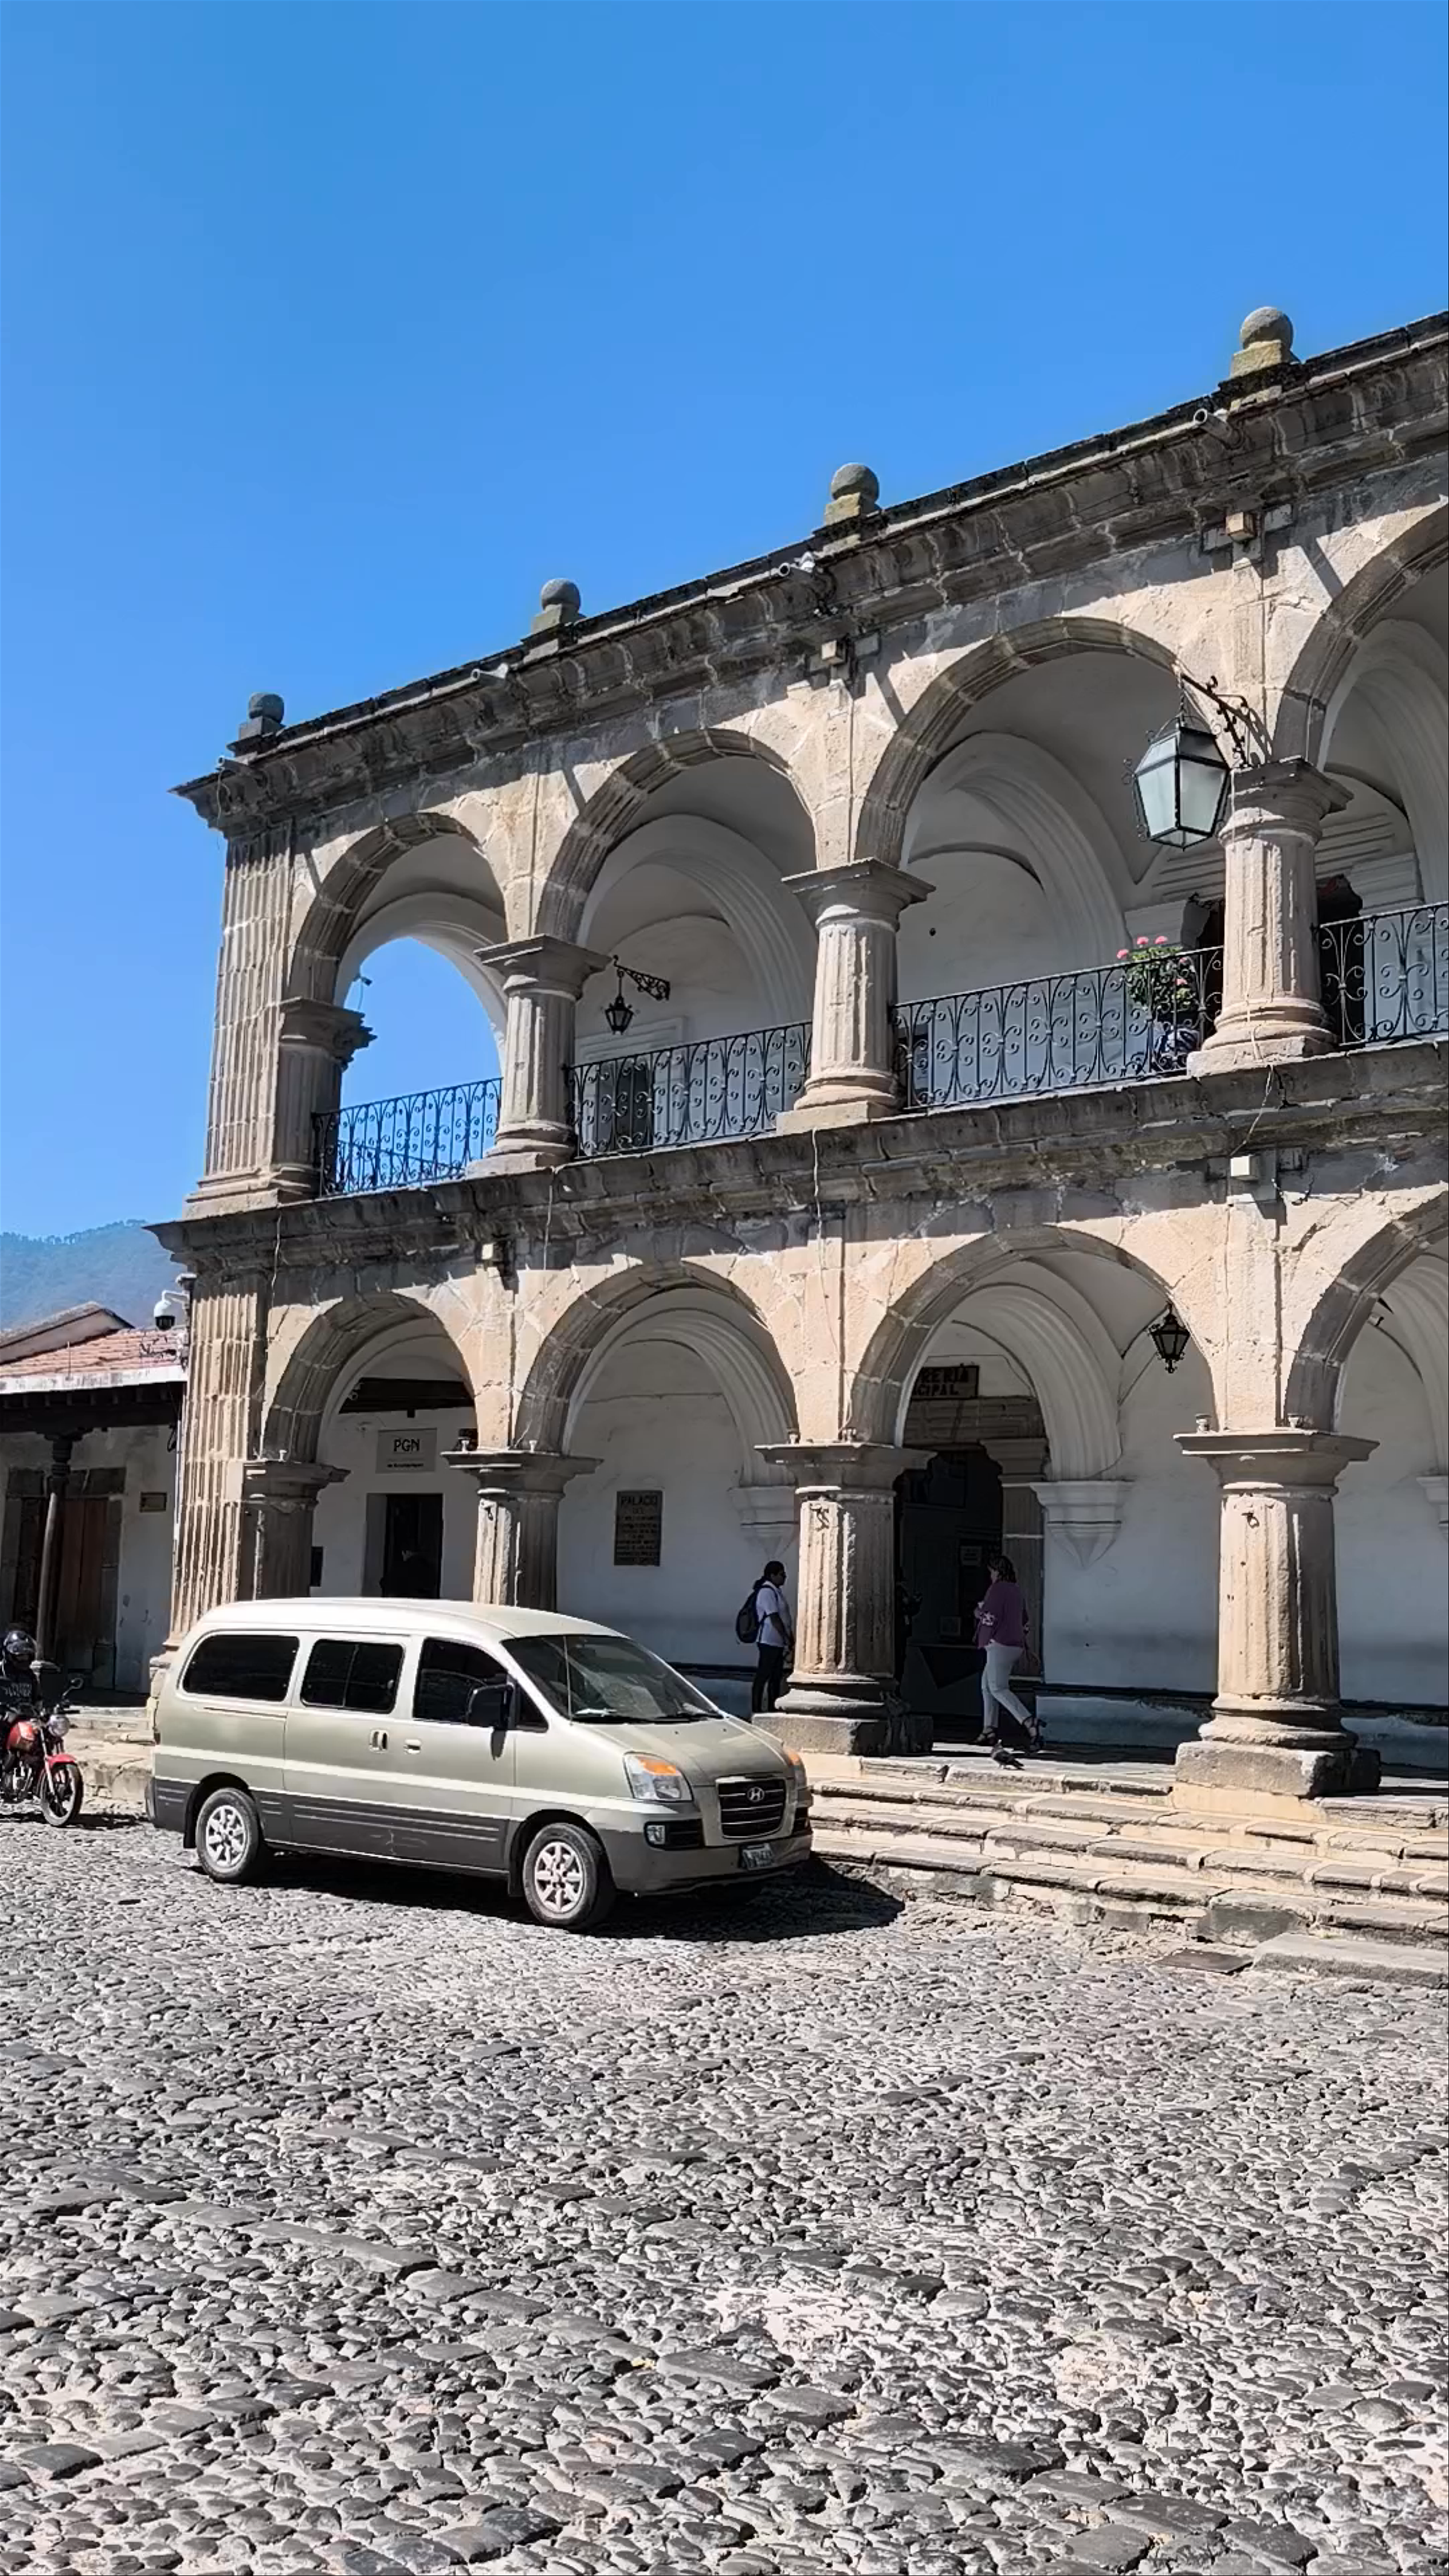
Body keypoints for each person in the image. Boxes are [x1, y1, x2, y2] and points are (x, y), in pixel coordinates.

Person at [973, 1555, 1036, 1767]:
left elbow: (990, 1616)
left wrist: (978, 1613)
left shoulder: (998, 1589)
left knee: (998, 1688)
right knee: (986, 1686)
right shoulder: (1017, 1590)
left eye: (991, 1572)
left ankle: (1029, 1722)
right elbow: (1024, 1619)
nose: (990, 1576)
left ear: (997, 1572)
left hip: (1000, 1644)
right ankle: (988, 1729)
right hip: (1015, 1645)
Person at [749, 1562, 794, 1716]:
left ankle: (772, 1707)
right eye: (782, 1575)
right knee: (764, 1674)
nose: (784, 1578)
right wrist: (786, 1637)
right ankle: (757, 1708)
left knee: (776, 1676)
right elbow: (774, 1617)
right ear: (772, 1575)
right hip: (769, 1640)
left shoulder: (777, 1591)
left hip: (777, 1641)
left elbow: (784, 1617)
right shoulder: (767, 1592)